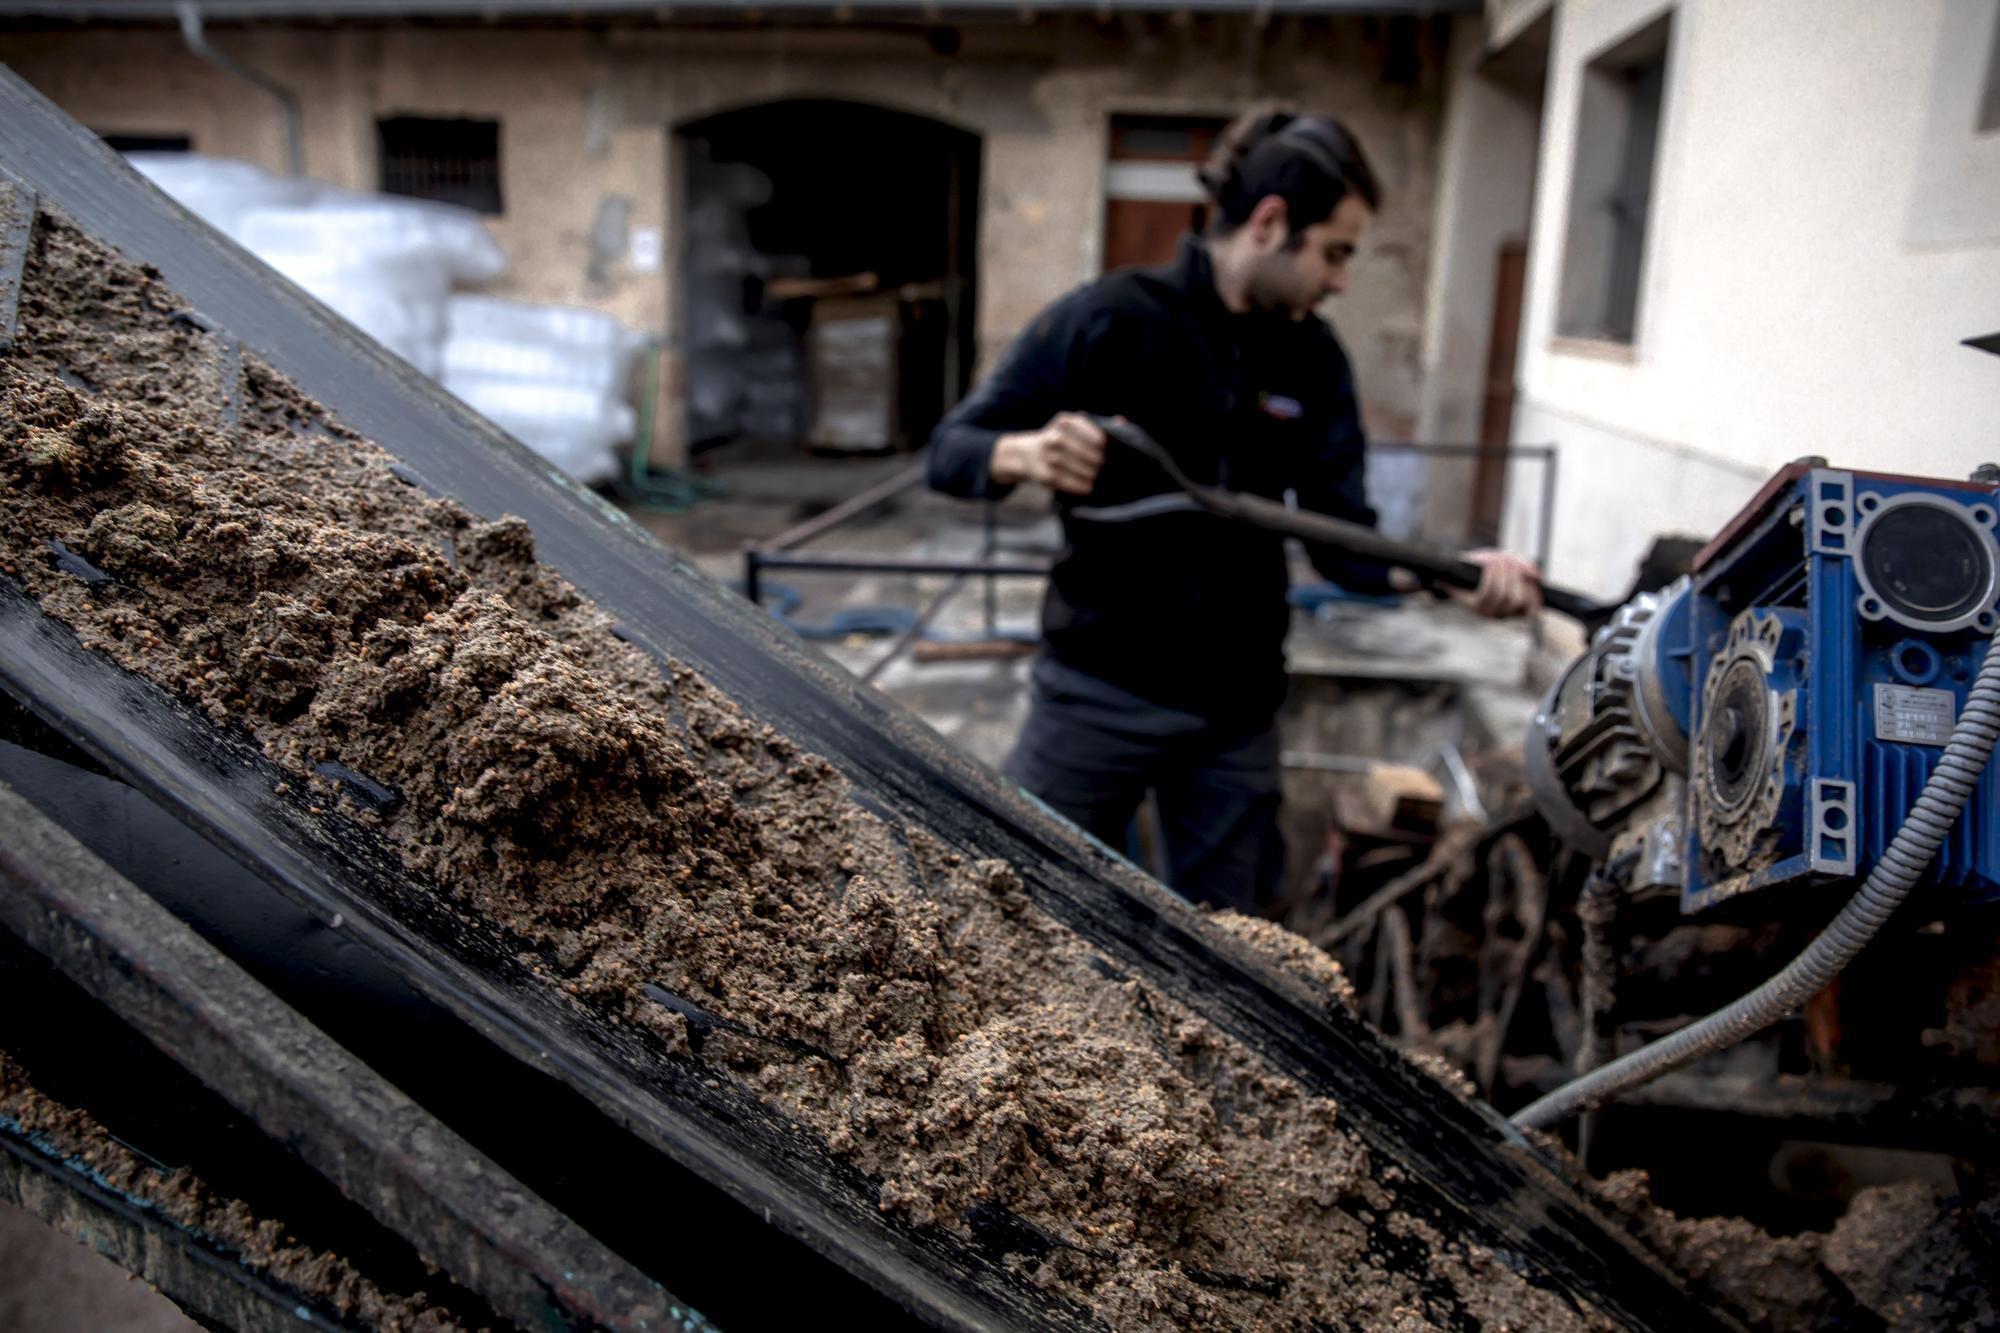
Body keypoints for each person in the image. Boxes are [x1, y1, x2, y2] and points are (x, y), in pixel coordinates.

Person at [925, 107, 1540, 912]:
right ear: (1271, 222)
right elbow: (952, 449)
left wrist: (1454, 578)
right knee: (1022, 905)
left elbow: (1344, 537)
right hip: (1094, 694)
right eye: (1334, 252)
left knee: (1239, 947)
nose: (1340, 280)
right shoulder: (1109, 317)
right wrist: (1024, 453)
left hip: (1232, 716)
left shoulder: (1313, 359)